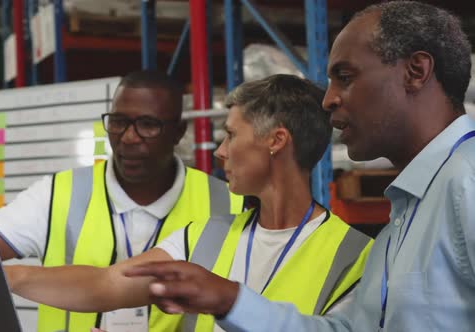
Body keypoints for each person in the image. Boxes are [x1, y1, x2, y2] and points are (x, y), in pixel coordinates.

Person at [125, 2, 475, 331]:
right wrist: (230, 301)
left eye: (346, 76)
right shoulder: (404, 219)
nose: (329, 98)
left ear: (416, 71)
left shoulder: (466, 182)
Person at [4, 74, 373, 332]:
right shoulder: (203, 237)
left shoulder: (356, 259)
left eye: (230, 135)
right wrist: (7, 275)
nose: (220, 151)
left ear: (275, 140)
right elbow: (106, 283)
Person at [0, 70, 244, 332]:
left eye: (147, 125)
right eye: (119, 122)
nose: (129, 137)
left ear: (178, 132)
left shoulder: (228, 205)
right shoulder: (57, 194)